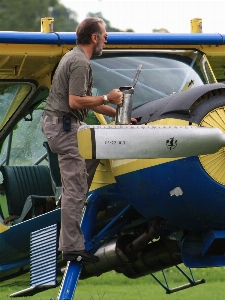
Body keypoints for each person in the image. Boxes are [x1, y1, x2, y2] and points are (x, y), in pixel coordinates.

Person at [41, 17, 122, 263]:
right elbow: (75, 101)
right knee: (75, 188)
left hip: (68, 125)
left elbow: (88, 99)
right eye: (105, 35)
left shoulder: (77, 58)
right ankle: (72, 248)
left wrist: (122, 115)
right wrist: (108, 98)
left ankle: (72, 206)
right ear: (94, 38)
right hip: (65, 129)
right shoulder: (78, 62)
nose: (107, 39)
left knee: (94, 153)